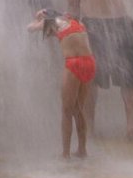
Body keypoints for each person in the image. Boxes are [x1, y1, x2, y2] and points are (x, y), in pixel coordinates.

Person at [63, 0, 133, 140]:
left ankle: (90, 127)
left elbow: (73, 6)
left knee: (90, 80)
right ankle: (131, 126)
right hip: (121, 21)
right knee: (129, 78)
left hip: (91, 25)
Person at [28, 9, 96, 159]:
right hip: (89, 62)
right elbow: (60, 35)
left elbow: (30, 28)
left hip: (74, 63)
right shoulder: (77, 23)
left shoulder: (53, 22)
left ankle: (65, 154)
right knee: (79, 109)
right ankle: (82, 150)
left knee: (67, 111)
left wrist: (38, 17)